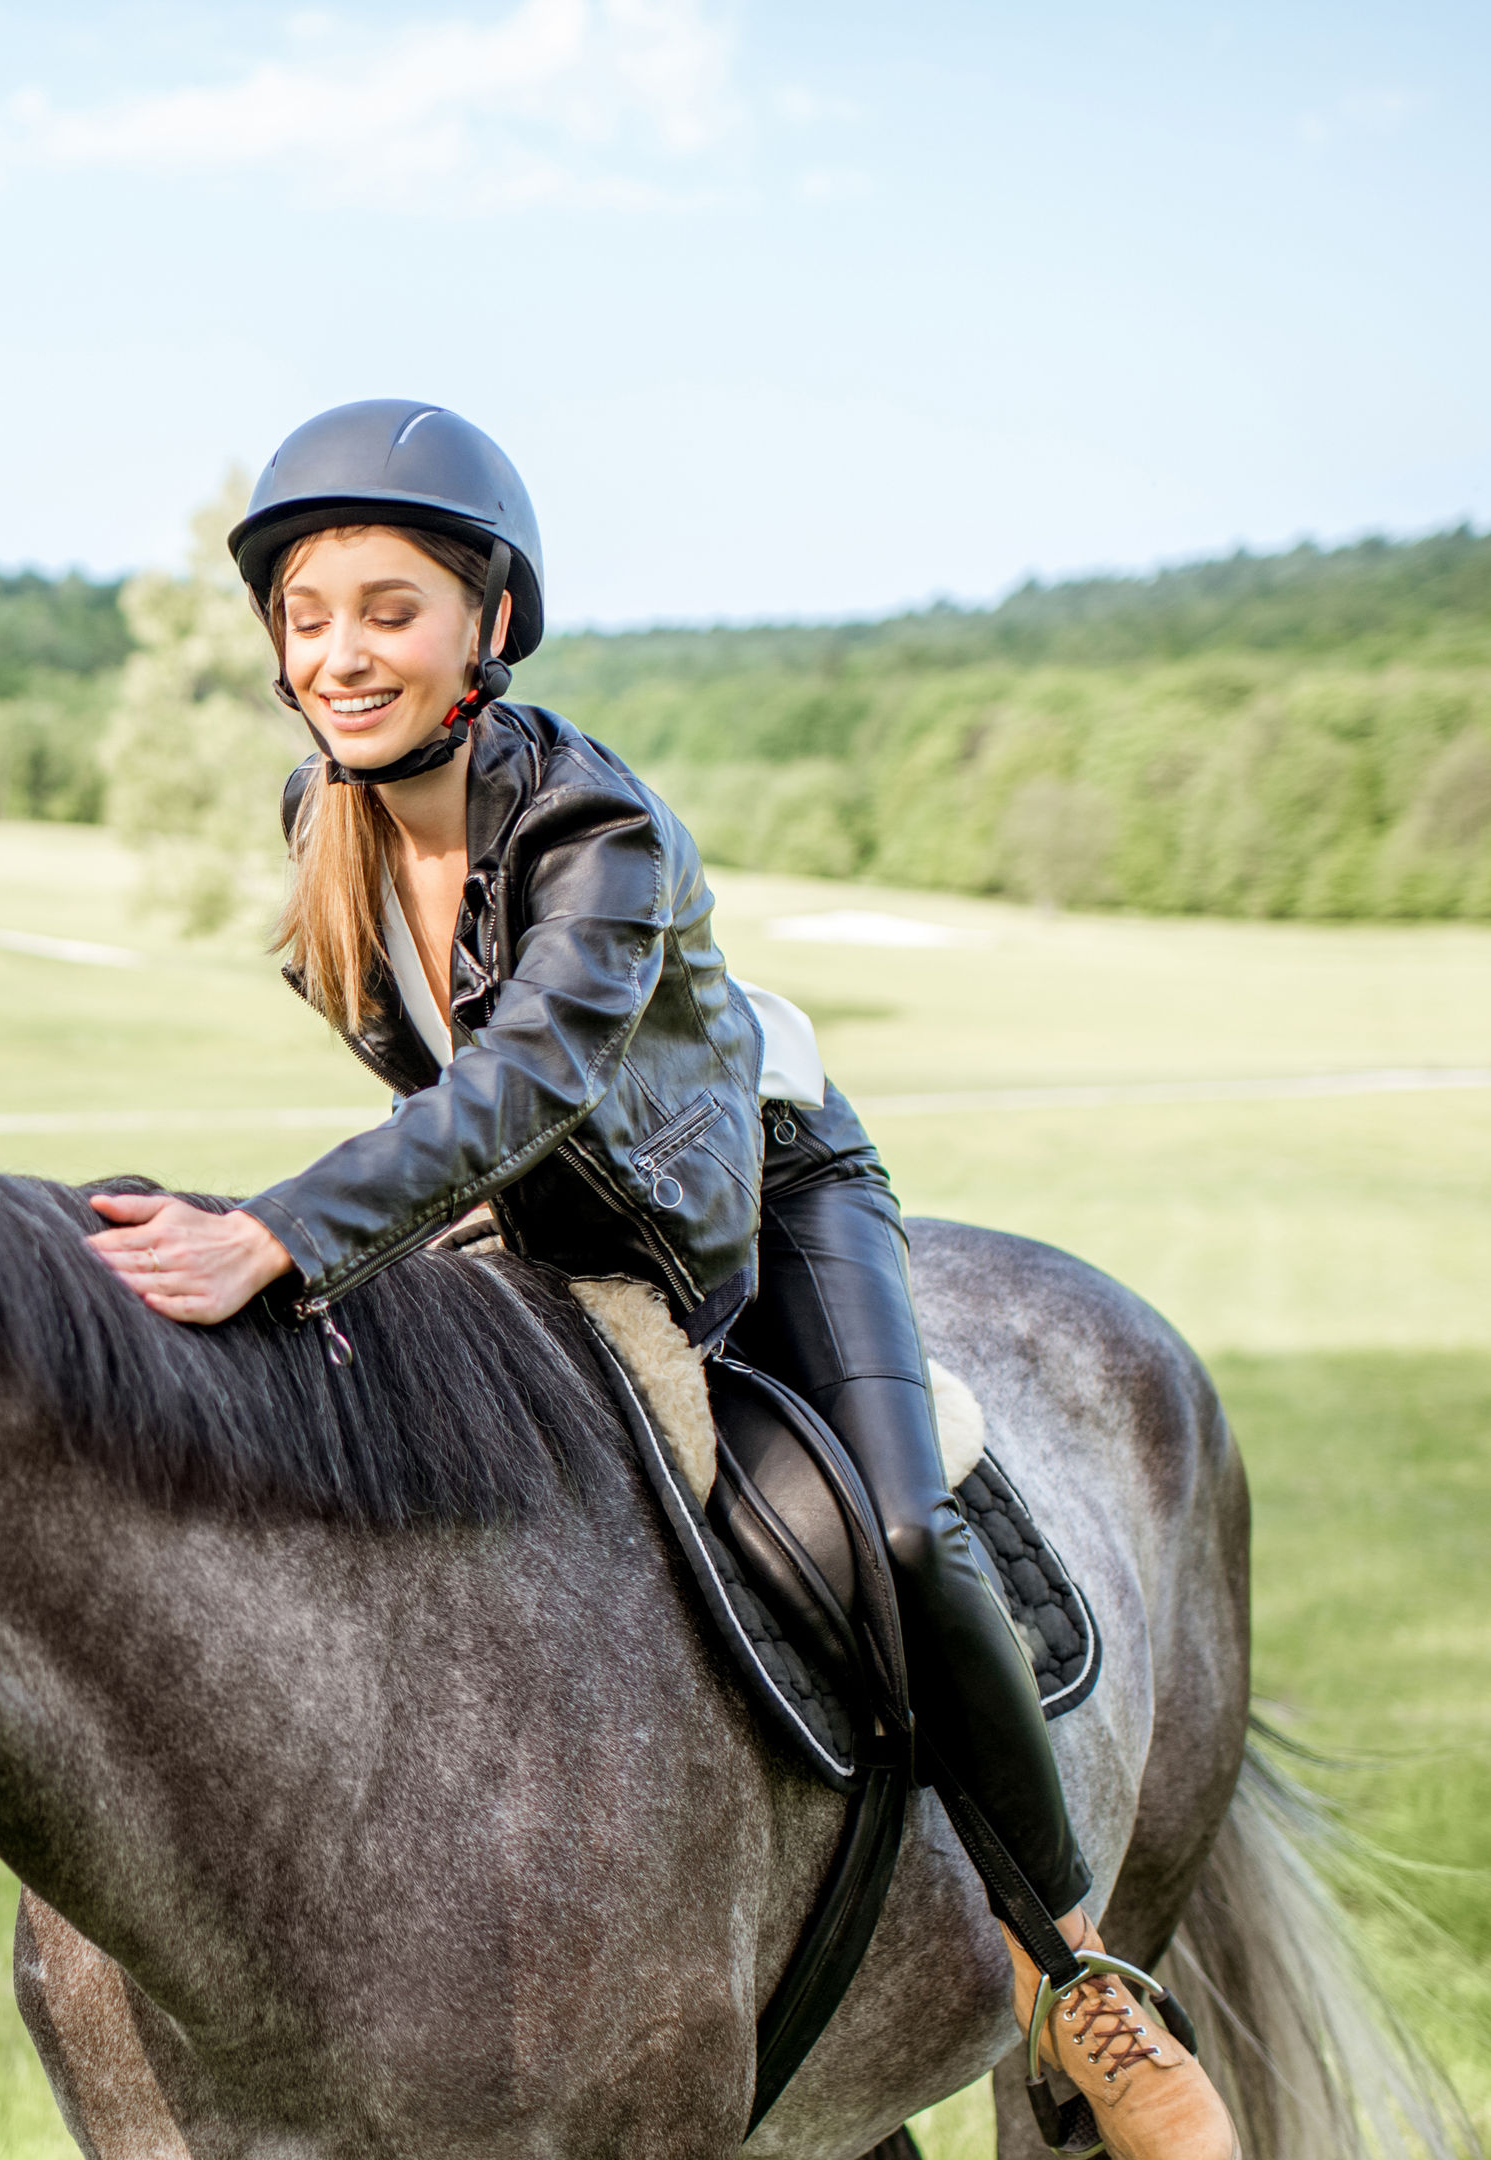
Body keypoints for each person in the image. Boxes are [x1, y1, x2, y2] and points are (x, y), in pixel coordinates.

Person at [78, 400, 1234, 2158]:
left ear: (490, 626)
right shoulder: (327, 812)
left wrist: (285, 1228)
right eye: (308, 617)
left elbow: (530, 1072)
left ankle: (1079, 1983)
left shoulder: (600, 824)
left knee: (900, 1530)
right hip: (546, 1219)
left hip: (757, 1203)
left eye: (389, 609)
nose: (340, 652)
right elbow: (450, 1093)